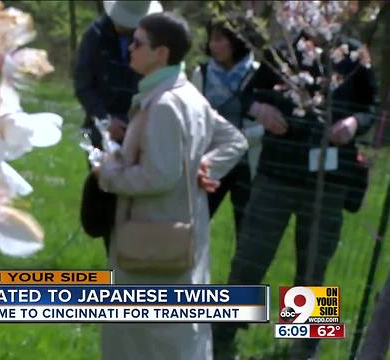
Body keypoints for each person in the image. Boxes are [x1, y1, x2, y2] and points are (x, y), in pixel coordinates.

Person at [214, 30, 378, 359]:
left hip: (328, 181)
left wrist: (352, 123)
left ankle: (304, 346)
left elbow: (370, 108)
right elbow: (247, 96)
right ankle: (221, 336)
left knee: (314, 264)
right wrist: (260, 109)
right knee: (250, 257)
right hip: (276, 174)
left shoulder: (356, 56)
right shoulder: (280, 52)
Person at [94, 12, 248, 360]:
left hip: (154, 237)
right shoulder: (186, 93)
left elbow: (158, 176)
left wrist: (107, 173)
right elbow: (235, 141)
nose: (129, 48)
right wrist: (204, 165)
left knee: (148, 340)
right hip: (180, 229)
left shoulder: (165, 103)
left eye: (138, 43)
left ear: (161, 53)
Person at [75, 1, 162, 253]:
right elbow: (83, 85)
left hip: (143, 129)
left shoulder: (152, 37)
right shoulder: (94, 36)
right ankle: (115, 263)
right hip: (101, 134)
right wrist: (104, 120)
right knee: (107, 206)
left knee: (138, 207)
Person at [191, 19, 281, 240]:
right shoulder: (201, 74)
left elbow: (266, 121)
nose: (213, 45)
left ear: (236, 42)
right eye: (211, 39)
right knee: (195, 222)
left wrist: (245, 138)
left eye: (219, 40)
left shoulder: (258, 74)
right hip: (212, 160)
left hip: (247, 162)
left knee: (247, 230)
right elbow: (193, 120)